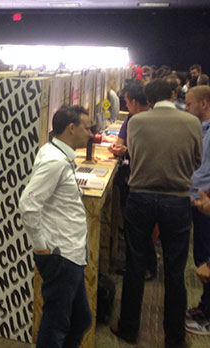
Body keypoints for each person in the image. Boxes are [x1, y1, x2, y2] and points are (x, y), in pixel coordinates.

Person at [114, 79, 202, 347]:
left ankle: (128, 328)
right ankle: (174, 338)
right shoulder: (192, 123)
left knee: (135, 265)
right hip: (177, 200)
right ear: (173, 95)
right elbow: (197, 160)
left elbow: (132, 154)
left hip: (140, 197)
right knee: (175, 272)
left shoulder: (136, 122)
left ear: (149, 99)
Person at [19, 105, 94, 348]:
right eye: (87, 128)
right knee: (56, 325)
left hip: (70, 253)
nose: (91, 134)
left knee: (81, 319)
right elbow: (28, 204)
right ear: (71, 128)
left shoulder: (56, 153)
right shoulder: (55, 161)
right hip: (60, 255)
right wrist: (41, 247)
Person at [108, 82, 157, 279]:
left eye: (127, 102)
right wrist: (121, 149)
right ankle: (136, 266)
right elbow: (122, 141)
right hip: (130, 177)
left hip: (140, 181)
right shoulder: (131, 118)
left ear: (135, 102)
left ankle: (145, 268)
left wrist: (126, 151)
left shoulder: (147, 122)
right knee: (133, 227)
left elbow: (148, 153)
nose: (126, 105)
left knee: (139, 228)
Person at [184, 85, 210, 335]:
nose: (186, 108)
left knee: (206, 258)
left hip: (205, 202)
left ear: (204, 104)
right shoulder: (201, 129)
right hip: (198, 200)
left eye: (189, 104)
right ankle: (204, 306)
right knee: (201, 255)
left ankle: (207, 315)